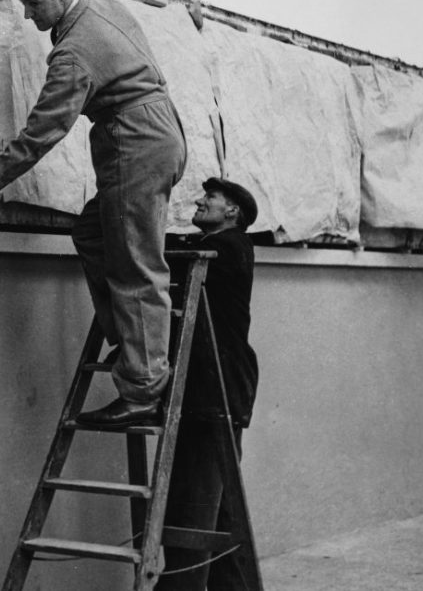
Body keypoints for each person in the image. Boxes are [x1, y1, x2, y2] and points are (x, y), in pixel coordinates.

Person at [0, 0, 187, 427]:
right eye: (23, 4)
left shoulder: (73, 55)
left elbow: (42, 132)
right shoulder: (100, 1)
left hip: (134, 144)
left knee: (134, 264)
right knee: (94, 233)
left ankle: (142, 390)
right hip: (162, 132)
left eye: (34, 5)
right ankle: (137, 337)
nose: (28, 14)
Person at [158, 177, 259, 591]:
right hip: (214, 388)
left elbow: (170, 257)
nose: (201, 201)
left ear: (232, 211)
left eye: (211, 198)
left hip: (214, 389)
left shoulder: (230, 247)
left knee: (193, 506)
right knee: (218, 508)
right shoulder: (223, 247)